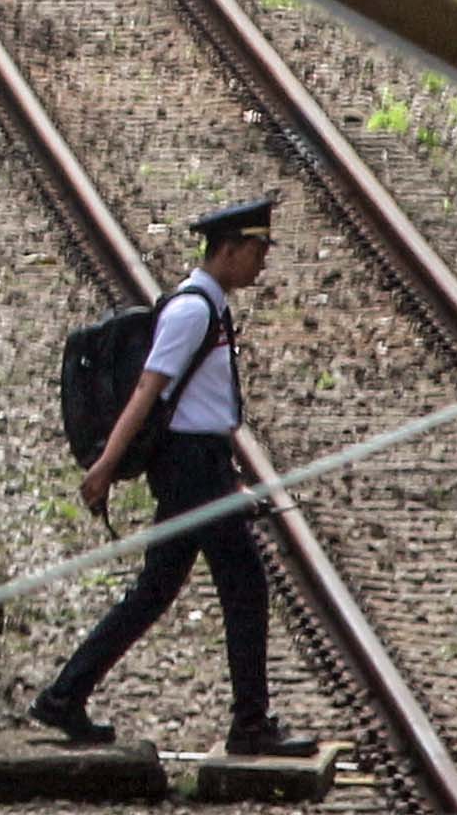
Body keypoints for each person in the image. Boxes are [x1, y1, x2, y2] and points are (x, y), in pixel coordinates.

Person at [33, 195, 315, 757]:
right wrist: (106, 467)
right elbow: (148, 390)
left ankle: (65, 696)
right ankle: (250, 725)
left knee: (156, 590)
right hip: (189, 469)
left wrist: (224, 471)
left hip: (201, 465)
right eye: (257, 251)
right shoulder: (193, 310)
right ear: (230, 249)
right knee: (244, 586)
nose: (262, 264)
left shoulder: (211, 307)